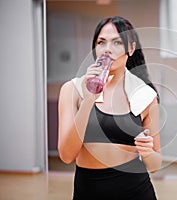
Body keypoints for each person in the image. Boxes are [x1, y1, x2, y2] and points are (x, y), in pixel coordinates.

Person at [58, 16, 161, 200]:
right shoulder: (72, 90)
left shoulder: (145, 95)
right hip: (88, 190)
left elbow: (155, 164)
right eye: (101, 42)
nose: (107, 50)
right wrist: (89, 99)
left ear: (130, 48)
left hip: (135, 190)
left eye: (117, 42)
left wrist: (147, 152)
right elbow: (66, 155)